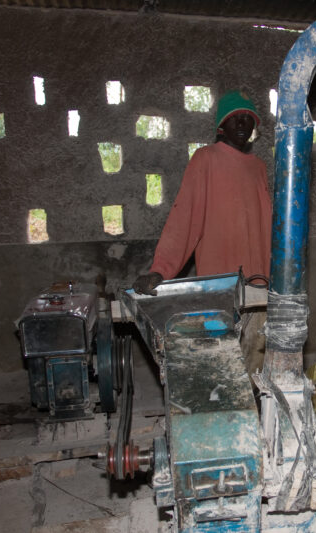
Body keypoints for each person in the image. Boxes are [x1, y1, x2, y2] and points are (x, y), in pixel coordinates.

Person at [133, 90, 271, 372]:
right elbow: (185, 217)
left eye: (248, 118)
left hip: (258, 285)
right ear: (222, 125)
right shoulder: (205, 159)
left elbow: (268, 226)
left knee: (255, 368)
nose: (242, 123)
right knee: (221, 367)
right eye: (235, 118)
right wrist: (161, 270)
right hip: (219, 287)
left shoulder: (258, 168)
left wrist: (276, 277)